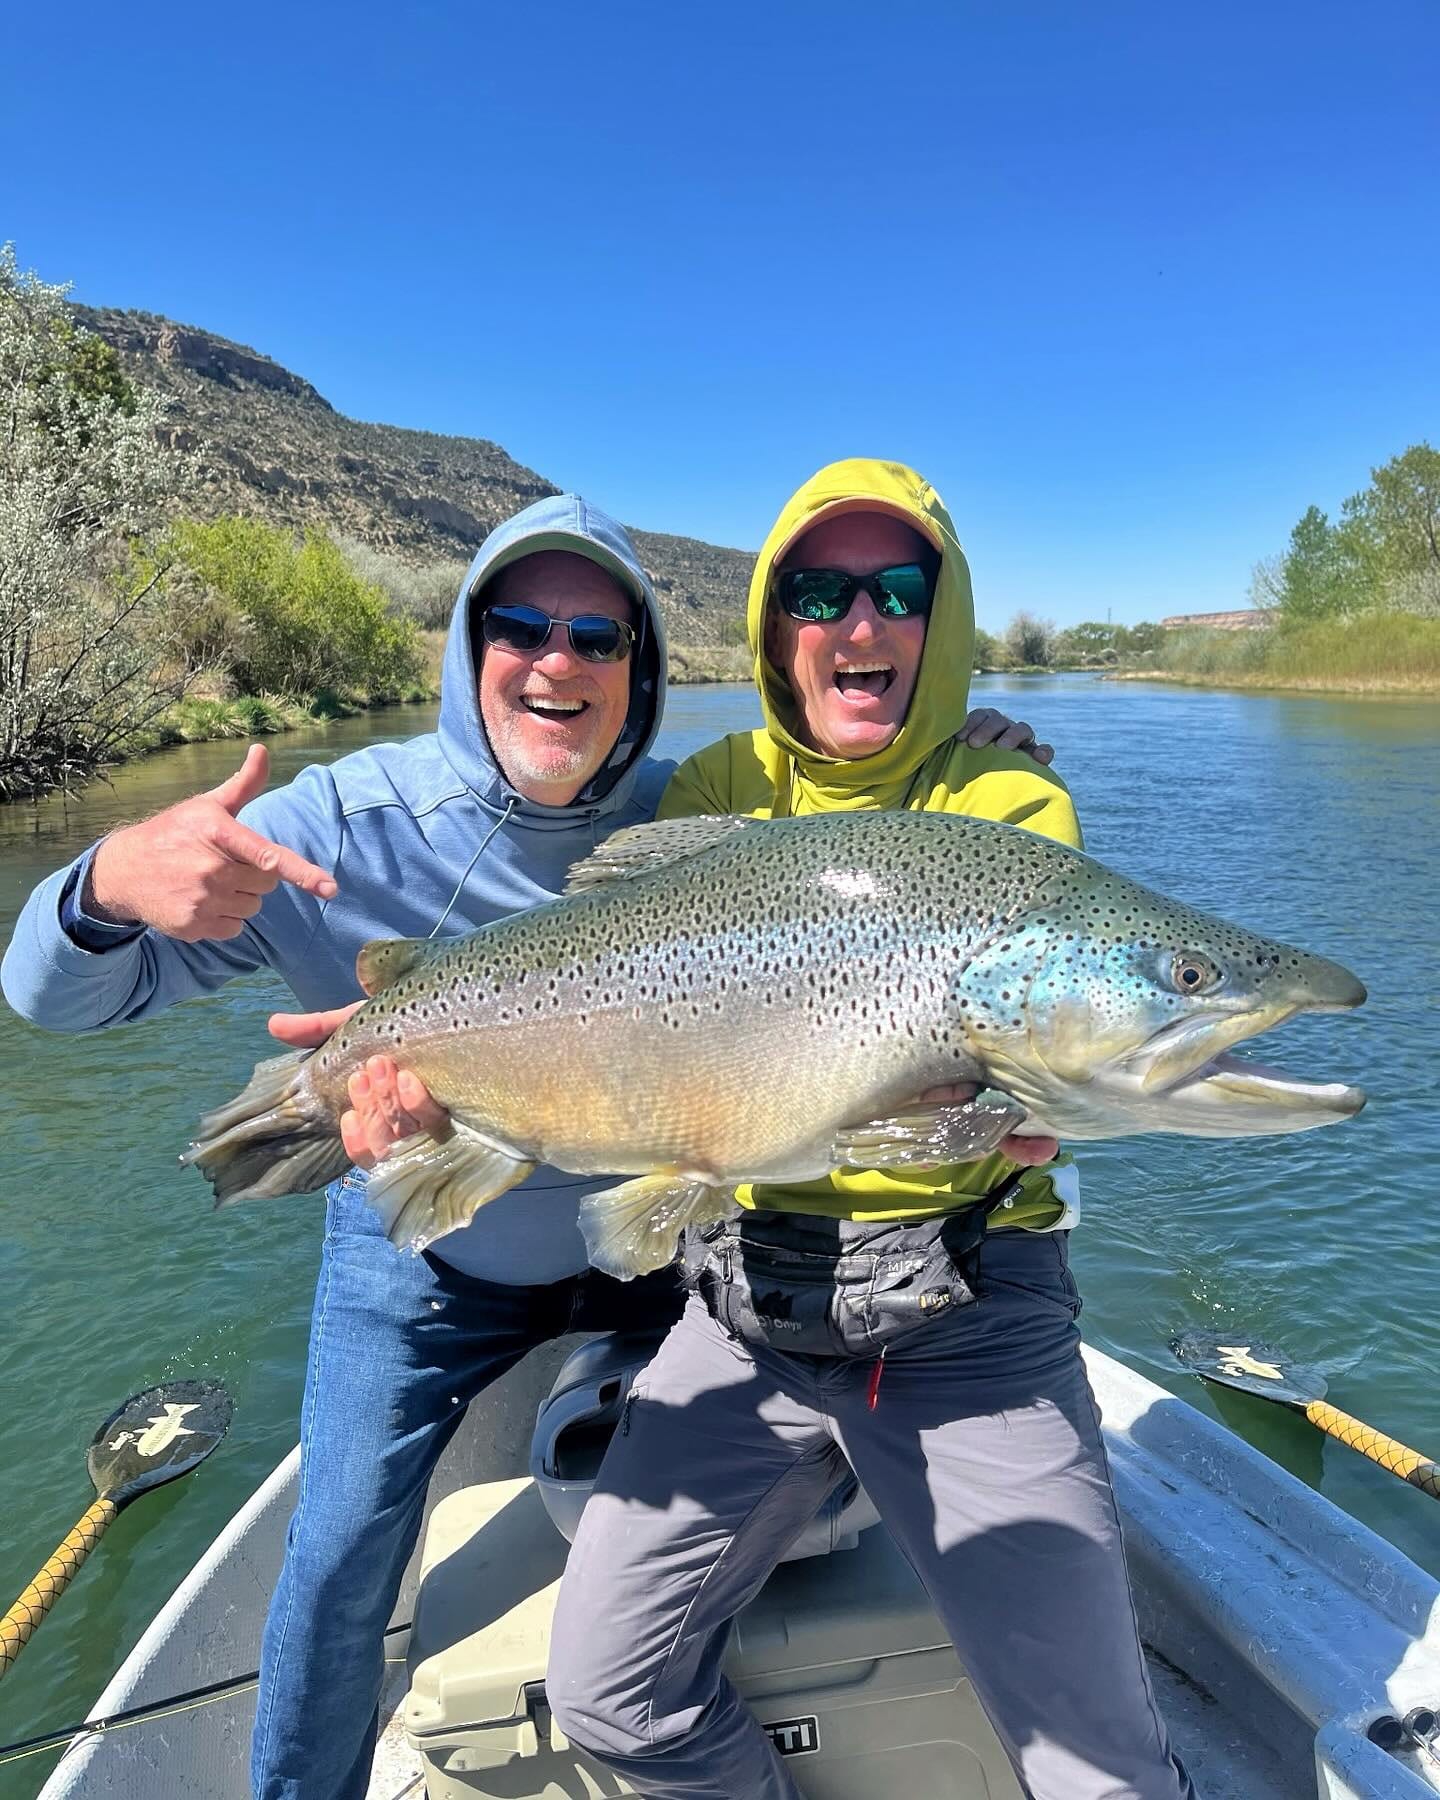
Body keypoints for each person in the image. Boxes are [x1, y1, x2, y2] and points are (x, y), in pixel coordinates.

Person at [1, 485, 1045, 1800]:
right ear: (469, 645)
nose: (559, 663)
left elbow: (870, 852)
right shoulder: (334, 830)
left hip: (657, 1248)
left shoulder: (692, 822)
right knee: (329, 1556)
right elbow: (52, 1001)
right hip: (428, 1253)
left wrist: (975, 748)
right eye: (523, 627)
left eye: (600, 640)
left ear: (640, 672)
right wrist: (98, 891)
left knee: (806, 1487)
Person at [535, 460, 1198, 1800]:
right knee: (606, 1698)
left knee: (1102, 1776)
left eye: (900, 591)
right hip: (745, 1313)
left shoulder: (1011, 809)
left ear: (935, 626)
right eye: (822, 592)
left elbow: (1064, 1051)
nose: (862, 623)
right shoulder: (716, 781)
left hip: (971, 1324)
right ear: (780, 625)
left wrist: (1040, 1105)